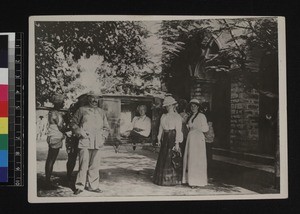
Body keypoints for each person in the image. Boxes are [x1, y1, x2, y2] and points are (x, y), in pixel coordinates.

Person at [70, 92, 110, 195]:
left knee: (95, 165)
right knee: (83, 164)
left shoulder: (101, 112)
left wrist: (103, 137)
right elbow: (73, 123)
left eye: (97, 98)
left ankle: (93, 186)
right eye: (92, 98)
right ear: (88, 99)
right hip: (85, 141)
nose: (95, 100)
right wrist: (80, 132)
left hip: (97, 142)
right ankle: (79, 186)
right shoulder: (81, 110)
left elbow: (106, 127)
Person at [153, 96, 183, 186]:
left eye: (169, 105)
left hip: (172, 136)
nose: (168, 107)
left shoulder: (177, 116)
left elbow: (178, 130)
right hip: (165, 136)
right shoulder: (163, 116)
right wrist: (159, 138)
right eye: (166, 106)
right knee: (163, 155)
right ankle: (162, 179)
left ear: (173, 106)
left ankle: (171, 180)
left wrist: (177, 143)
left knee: (170, 156)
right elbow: (160, 128)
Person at [182, 99, 209, 188]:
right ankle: (189, 179)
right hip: (191, 138)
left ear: (198, 107)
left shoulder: (201, 116)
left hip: (198, 139)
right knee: (190, 157)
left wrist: (197, 129)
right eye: (191, 106)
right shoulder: (190, 116)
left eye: (195, 106)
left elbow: (206, 128)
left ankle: (197, 181)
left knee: (197, 159)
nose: (193, 107)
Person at [44, 94, 69, 189]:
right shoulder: (56, 114)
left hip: (52, 136)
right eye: (62, 102)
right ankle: (47, 182)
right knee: (51, 159)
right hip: (56, 137)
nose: (63, 103)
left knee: (50, 159)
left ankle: (47, 180)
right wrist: (68, 130)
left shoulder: (52, 112)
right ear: (58, 103)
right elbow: (61, 127)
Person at [63, 102, 80, 183]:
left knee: (72, 158)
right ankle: (69, 175)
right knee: (72, 158)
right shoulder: (68, 115)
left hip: (75, 138)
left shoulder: (78, 113)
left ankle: (69, 175)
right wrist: (66, 131)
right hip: (72, 138)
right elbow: (64, 126)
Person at [201, 102, 215, 176]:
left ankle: (207, 170)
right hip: (210, 134)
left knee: (207, 153)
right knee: (209, 153)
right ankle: (209, 170)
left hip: (207, 134)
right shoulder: (210, 114)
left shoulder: (205, 115)